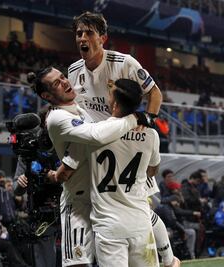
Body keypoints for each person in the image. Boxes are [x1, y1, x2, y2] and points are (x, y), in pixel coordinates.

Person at [69, 11, 178, 267]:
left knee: (142, 206)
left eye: (89, 33)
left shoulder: (124, 62)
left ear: (102, 38)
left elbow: (155, 94)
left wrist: (147, 123)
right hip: (97, 145)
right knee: (90, 206)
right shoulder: (74, 71)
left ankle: (169, 259)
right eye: (78, 34)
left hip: (128, 143)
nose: (82, 38)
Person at [27, 67, 150, 266]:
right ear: (46, 95)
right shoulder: (57, 118)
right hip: (77, 202)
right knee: (78, 263)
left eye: (63, 77)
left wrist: (63, 169)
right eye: (57, 83)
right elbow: (96, 136)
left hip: (101, 200)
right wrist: (133, 118)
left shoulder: (80, 109)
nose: (66, 82)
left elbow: (85, 146)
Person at [55, 79, 161, 266]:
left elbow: (66, 173)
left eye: (110, 92)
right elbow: (152, 171)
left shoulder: (93, 133)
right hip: (141, 222)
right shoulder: (151, 135)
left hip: (109, 226)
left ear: (114, 103)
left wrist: (51, 175)